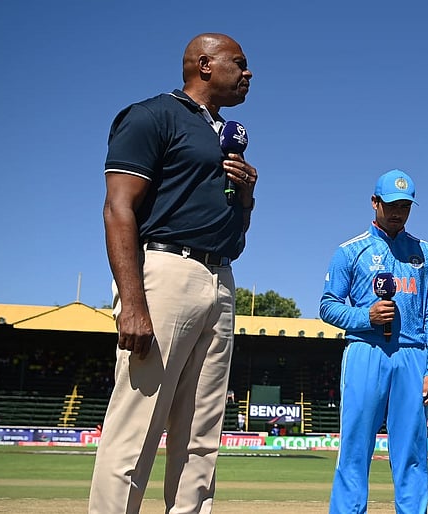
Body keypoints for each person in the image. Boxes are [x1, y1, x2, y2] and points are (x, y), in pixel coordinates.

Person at [89, 33, 256, 514]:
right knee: (136, 426)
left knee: (202, 435)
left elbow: (235, 240)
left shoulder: (225, 133)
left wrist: (245, 196)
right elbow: (118, 208)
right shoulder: (152, 115)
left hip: (219, 278)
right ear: (205, 65)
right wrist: (133, 301)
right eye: (239, 64)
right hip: (164, 270)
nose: (249, 74)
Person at [320, 169, 428, 514]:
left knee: (411, 454)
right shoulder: (349, 251)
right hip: (365, 351)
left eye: (405, 206)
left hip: (412, 355)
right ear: (374, 202)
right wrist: (366, 317)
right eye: (391, 204)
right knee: (354, 450)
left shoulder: (427, 255)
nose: (397, 212)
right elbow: (327, 306)